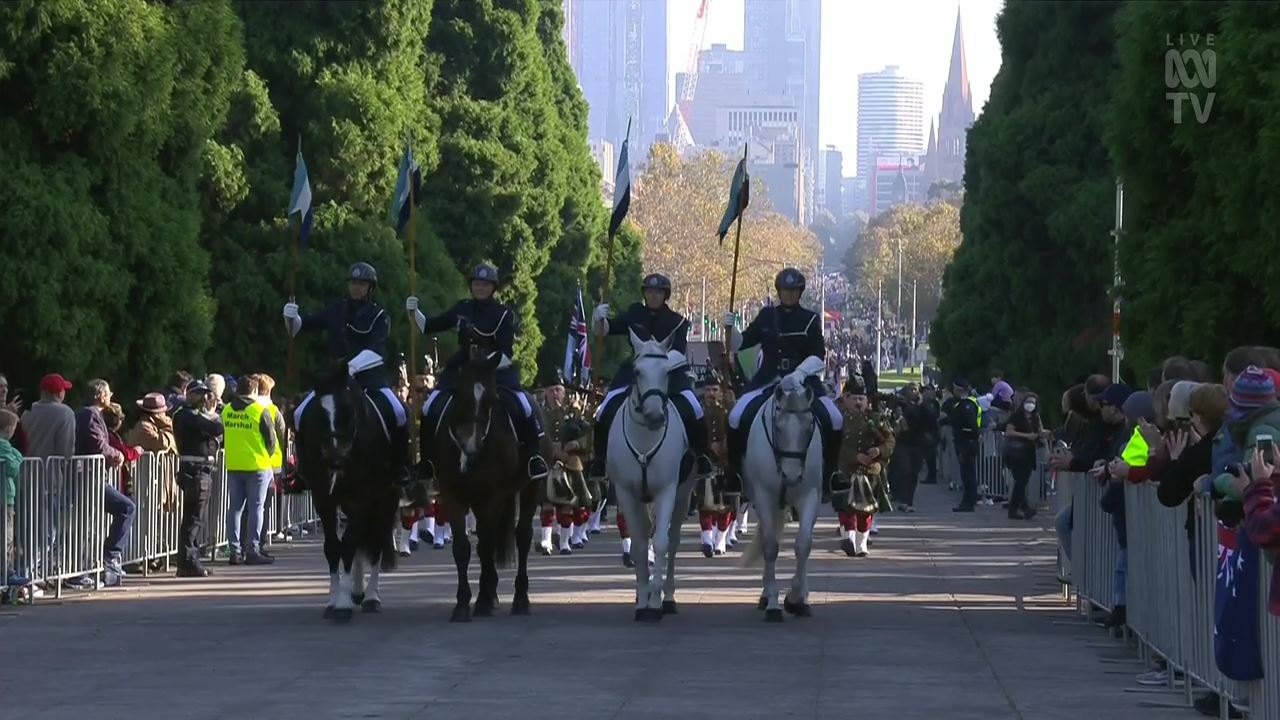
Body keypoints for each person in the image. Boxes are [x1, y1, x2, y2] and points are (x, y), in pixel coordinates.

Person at [407, 263, 548, 484]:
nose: (480, 288)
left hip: (495, 367)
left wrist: (486, 365)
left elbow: (506, 352)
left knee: (523, 405)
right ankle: (427, 462)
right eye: (476, 284)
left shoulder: (504, 314)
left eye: (485, 284)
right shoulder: (462, 308)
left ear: (493, 288)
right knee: (429, 407)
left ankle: (533, 456)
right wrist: (414, 312)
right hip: (463, 368)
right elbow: (428, 326)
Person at [283, 262, 415, 494]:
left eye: (361, 283)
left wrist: (351, 367)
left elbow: (376, 350)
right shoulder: (336, 309)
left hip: (369, 377)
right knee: (300, 413)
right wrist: (291, 317)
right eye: (353, 282)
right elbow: (302, 327)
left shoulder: (379, 315)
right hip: (335, 379)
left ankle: (401, 467)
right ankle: (303, 471)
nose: (356, 287)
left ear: (370, 287)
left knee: (400, 412)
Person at [722, 268, 844, 501]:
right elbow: (742, 343)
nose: (789, 295)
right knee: (736, 416)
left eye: (794, 291)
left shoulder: (810, 318)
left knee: (835, 418)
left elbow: (818, 355)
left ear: (800, 293)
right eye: (785, 290)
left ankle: (831, 473)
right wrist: (730, 328)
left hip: (803, 382)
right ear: (779, 292)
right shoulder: (766, 316)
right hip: (767, 380)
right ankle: (735, 475)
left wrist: (799, 374)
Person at [587, 273, 713, 482]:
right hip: (635, 371)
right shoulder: (633, 314)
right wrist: (598, 319)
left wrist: (658, 367)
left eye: (658, 292)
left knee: (694, 407)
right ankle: (599, 459)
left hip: (670, 371)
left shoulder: (678, 321)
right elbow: (605, 331)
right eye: (649, 291)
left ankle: (702, 455)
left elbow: (678, 351)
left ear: (665, 295)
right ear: (644, 294)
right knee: (605, 408)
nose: (653, 296)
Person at [74, 379, 134, 587]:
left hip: (91, 476)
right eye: (108, 393)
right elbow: (98, 444)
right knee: (126, 508)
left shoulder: (90, 414)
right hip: (89, 477)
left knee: (89, 524)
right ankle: (109, 557)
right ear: (100, 395)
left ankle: (94, 565)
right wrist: (116, 453)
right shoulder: (90, 414)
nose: (111, 396)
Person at [834, 375, 894, 557]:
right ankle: (850, 540)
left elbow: (890, 441)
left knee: (866, 510)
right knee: (846, 508)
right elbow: (834, 445)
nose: (858, 402)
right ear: (846, 399)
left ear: (867, 400)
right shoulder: (839, 420)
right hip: (846, 470)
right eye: (854, 398)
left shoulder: (876, 419)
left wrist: (879, 450)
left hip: (869, 472)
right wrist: (854, 456)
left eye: (861, 398)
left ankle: (862, 544)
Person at [221, 375, 277, 566]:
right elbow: (271, 440)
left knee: (235, 509)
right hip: (257, 465)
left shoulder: (227, 410)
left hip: (234, 464)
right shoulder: (259, 410)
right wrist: (267, 456)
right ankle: (253, 550)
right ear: (254, 391)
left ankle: (234, 551)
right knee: (256, 508)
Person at [173, 381, 223, 577]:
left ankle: (191, 560)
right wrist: (211, 412)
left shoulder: (193, 415)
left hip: (200, 470)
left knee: (196, 518)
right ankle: (188, 562)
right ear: (189, 394)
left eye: (205, 394)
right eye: (199, 394)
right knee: (193, 519)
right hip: (195, 470)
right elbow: (216, 428)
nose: (203, 398)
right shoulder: (186, 415)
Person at [1004, 392, 1048, 519]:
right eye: (1028, 401)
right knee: (1020, 481)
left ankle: (1024, 507)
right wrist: (1027, 436)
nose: (1030, 405)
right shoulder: (1016, 416)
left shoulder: (1035, 417)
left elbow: (1039, 431)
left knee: (1022, 481)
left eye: (1033, 402)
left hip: (1028, 453)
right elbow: (1009, 431)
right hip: (1015, 452)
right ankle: (1015, 508)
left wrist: (1046, 435)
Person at [942, 378, 982, 512]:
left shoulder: (966, 405)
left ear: (959, 390)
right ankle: (969, 499)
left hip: (966, 442)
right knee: (967, 473)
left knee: (967, 474)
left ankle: (968, 501)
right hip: (968, 441)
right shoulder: (969, 402)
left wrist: (972, 434)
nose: (953, 391)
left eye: (955, 388)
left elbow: (970, 423)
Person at [0, 409, 22, 575]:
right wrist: (17, 455)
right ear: (8, 430)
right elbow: (13, 467)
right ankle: (6, 572)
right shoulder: (4, 446)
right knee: (6, 536)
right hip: (5, 496)